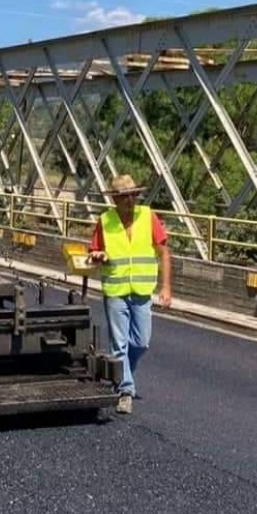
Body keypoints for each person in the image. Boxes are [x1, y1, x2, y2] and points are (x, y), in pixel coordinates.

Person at [87, 174, 171, 414]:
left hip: (142, 291)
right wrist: (97, 255)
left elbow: (164, 252)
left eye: (133, 195)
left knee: (141, 342)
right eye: (124, 197)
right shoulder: (105, 221)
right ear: (115, 199)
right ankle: (125, 391)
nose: (130, 200)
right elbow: (93, 250)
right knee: (119, 344)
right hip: (115, 290)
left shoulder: (148, 216)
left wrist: (166, 287)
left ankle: (122, 373)